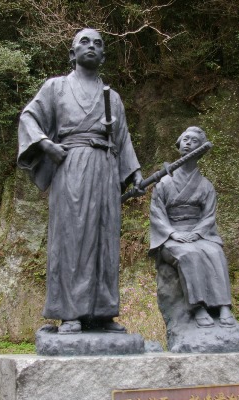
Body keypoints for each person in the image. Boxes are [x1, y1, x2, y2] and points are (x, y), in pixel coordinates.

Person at [17, 29, 143, 335]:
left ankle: (102, 314)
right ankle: (70, 312)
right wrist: (47, 145)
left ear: (103, 56)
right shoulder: (55, 87)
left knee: (105, 237)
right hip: (71, 164)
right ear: (72, 54)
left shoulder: (112, 97)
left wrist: (134, 173)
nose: (91, 46)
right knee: (72, 237)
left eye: (98, 43)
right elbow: (28, 118)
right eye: (84, 42)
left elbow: (123, 139)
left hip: (106, 168)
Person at [149, 126, 235, 328]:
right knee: (189, 255)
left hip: (198, 234)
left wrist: (197, 233)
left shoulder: (205, 185)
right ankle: (198, 307)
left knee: (215, 253)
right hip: (172, 236)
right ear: (179, 144)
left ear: (201, 149)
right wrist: (173, 233)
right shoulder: (163, 182)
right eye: (185, 139)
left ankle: (223, 305)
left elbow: (209, 216)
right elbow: (157, 212)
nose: (188, 143)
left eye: (194, 141)